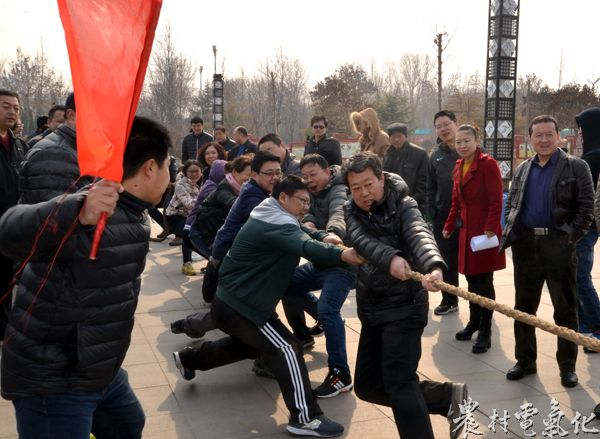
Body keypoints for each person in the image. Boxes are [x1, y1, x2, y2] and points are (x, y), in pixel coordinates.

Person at [0, 115, 173, 439]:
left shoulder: (130, 211)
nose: (169, 176)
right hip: (54, 376)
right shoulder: (89, 209)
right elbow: (9, 231)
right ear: (150, 168)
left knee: (127, 424)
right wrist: (76, 211)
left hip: (98, 366)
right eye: (168, 166)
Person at [173, 176, 363, 438]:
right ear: (283, 198)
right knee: (288, 347)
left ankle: (188, 359)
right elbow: (304, 245)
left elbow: (304, 232)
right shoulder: (274, 223)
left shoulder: (272, 214)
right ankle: (305, 417)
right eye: (301, 200)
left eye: (308, 201)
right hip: (244, 306)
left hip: (232, 301)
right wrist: (343, 254)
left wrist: (324, 236)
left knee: (248, 345)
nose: (306, 206)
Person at [343, 152, 467, 439]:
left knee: (399, 382)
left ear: (382, 179)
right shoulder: (351, 211)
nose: (364, 193)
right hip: (373, 309)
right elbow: (362, 240)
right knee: (367, 384)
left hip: (405, 307)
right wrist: (390, 260)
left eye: (368, 184)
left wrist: (434, 267)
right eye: (356, 188)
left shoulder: (404, 204)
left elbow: (419, 234)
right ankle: (445, 398)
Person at [502, 115, 594, 388]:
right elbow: (513, 204)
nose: (543, 140)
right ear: (530, 139)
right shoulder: (522, 169)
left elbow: (586, 207)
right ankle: (525, 361)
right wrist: (513, 232)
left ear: (558, 137)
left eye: (548, 135)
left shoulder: (576, 167)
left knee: (564, 310)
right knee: (523, 308)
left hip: (559, 244)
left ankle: (567, 367)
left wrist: (570, 236)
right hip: (526, 247)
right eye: (538, 135)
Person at [170, 152, 281, 337]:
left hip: (228, 245)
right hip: (208, 237)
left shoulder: (253, 190)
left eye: (278, 172)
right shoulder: (231, 190)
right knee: (229, 297)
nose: (275, 177)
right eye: (269, 173)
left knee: (234, 304)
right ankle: (196, 322)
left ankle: (193, 324)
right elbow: (251, 212)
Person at [281, 153, 356, 398]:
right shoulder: (311, 192)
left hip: (342, 265)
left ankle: (340, 375)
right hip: (320, 263)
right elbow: (310, 211)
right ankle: (323, 318)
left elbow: (337, 212)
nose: (309, 180)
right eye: (305, 176)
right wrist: (310, 223)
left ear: (327, 171)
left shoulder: (338, 189)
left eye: (313, 174)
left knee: (329, 309)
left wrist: (331, 235)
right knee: (286, 284)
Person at [442, 125, 505, 354]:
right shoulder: (459, 166)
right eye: (458, 142)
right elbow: (456, 202)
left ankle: (485, 331)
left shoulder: (488, 164)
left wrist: (490, 227)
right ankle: (473, 323)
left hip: (484, 235)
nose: (461, 146)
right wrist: (449, 225)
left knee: (484, 283)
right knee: (471, 281)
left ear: (477, 141)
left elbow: (496, 199)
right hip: (466, 232)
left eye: (466, 141)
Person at [19, 93, 91, 205]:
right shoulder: (55, 154)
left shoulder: (73, 147)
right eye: (96, 116)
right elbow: (56, 215)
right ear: (71, 116)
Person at [427, 110, 461, 316]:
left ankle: (481, 307)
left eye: (447, 124)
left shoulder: (471, 149)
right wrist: (431, 213)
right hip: (443, 218)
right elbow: (430, 187)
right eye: (439, 126)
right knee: (446, 261)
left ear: (456, 123)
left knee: (475, 267)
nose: (443, 129)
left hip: (468, 219)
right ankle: (450, 300)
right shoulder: (436, 155)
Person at [0, 89, 26, 342]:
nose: (12, 112)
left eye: (16, 108)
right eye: (6, 107)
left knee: (10, 280)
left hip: (14, 225)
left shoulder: (19, 146)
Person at [574, 107, 600, 349]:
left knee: (580, 276)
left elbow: (582, 195)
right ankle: (583, 325)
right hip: (589, 225)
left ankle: (596, 324)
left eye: (582, 129)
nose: (580, 134)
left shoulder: (594, 157)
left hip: (586, 226)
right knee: (579, 275)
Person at [165, 159, 202, 275]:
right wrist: (205, 200)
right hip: (176, 216)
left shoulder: (203, 182)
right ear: (185, 172)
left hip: (191, 216)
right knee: (188, 232)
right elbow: (189, 204)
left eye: (197, 171)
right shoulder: (181, 184)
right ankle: (187, 263)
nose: (194, 174)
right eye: (191, 172)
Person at [383, 122, 429, 214]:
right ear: (389, 138)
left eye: (399, 136)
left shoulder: (420, 154)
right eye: (393, 137)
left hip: (415, 204)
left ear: (406, 136)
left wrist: (413, 200)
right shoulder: (387, 154)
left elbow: (424, 181)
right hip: (392, 204)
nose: (396, 139)